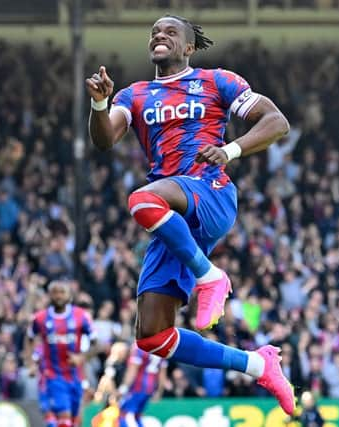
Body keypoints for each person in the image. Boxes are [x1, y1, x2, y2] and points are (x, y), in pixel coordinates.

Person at [85, 14, 295, 415]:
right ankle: (257, 364)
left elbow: (276, 122)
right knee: (152, 336)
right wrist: (100, 102)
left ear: (188, 47)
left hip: (209, 192)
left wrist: (231, 150)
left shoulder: (217, 81)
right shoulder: (134, 94)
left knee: (141, 200)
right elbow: (103, 140)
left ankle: (210, 276)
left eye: (170, 32)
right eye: (154, 32)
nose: (159, 36)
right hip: (173, 215)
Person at [26, 281, 94, 427]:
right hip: (53, 375)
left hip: (76, 376)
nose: (58, 296)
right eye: (55, 292)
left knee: (75, 420)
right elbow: (29, 339)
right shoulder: (40, 318)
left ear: (69, 295)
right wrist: (30, 363)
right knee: (64, 418)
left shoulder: (81, 316)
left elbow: (97, 344)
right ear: (49, 295)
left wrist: (81, 357)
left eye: (62, 292)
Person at [116, 343, 167, 427]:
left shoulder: (140, 346)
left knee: (125, 415)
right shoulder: (161, 347)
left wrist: (123, 388)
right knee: (137, 415)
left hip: (137, 386)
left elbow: (132, 370)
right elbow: (162, 373)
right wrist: (159, 391)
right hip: (150, 387)